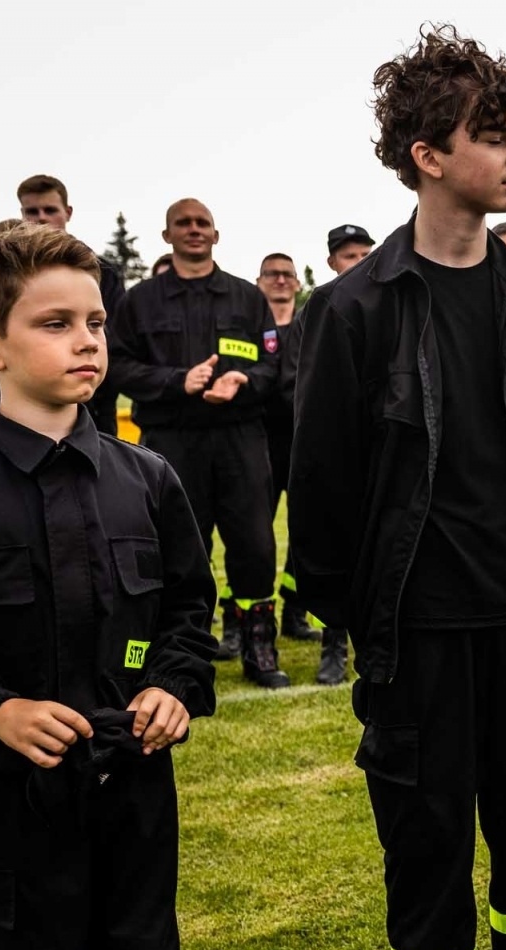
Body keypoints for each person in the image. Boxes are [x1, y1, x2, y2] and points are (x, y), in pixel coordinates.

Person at [288, 26, 506, 950]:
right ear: (428, 153)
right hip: (417, 638)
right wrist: (370, 619)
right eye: (495, 136)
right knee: (426, 856)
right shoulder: (352, 309)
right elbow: (320, 497)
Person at [0, 224, 216, 950]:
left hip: (135, 796)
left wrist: (174, 688)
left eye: (95, 322)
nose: (85, 340)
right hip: (11, 809)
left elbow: (190, 609)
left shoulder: (147, 478)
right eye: (54, 323)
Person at [104, 198, 289, 688]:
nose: (193, 230)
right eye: (182, 223)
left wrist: (243, 382)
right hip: (170, 442)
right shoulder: (141, 302)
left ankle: (258, 645)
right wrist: (175, 381)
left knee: (253, 542)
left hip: (239, 437)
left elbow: (273, 363)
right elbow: (116, 364)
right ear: (166, 236)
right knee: (177, 549)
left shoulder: (247, 299)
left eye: (201, 222)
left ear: (216, 234)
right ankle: (183, 652)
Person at [276, 225, 375, 688]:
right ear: (333, 261)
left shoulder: (385, 302)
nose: (357, 261)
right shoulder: (318, 307)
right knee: (333, 544)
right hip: (333, 446)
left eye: (364, 253)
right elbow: (299, 381)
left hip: (379, 447)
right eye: (348, 255)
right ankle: (333, 645)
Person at [17, 175, 128, 435]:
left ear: (67, 212)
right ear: (22, 214)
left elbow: (117, 341)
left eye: (50, 210)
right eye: (32, 211)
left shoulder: (103, 272)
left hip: (94, 411)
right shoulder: (8, 275)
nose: (42, 218)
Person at [255, 252, 321, 644]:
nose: (280, 280)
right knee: (255, 536)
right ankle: (240, 620)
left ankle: (296, 610)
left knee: (304, 533)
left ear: (297, 283)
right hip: (258, 446)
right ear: (259, 281)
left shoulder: (310, 322)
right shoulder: (249, 325)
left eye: (287, 274)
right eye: (272, 274)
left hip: (301, 445)